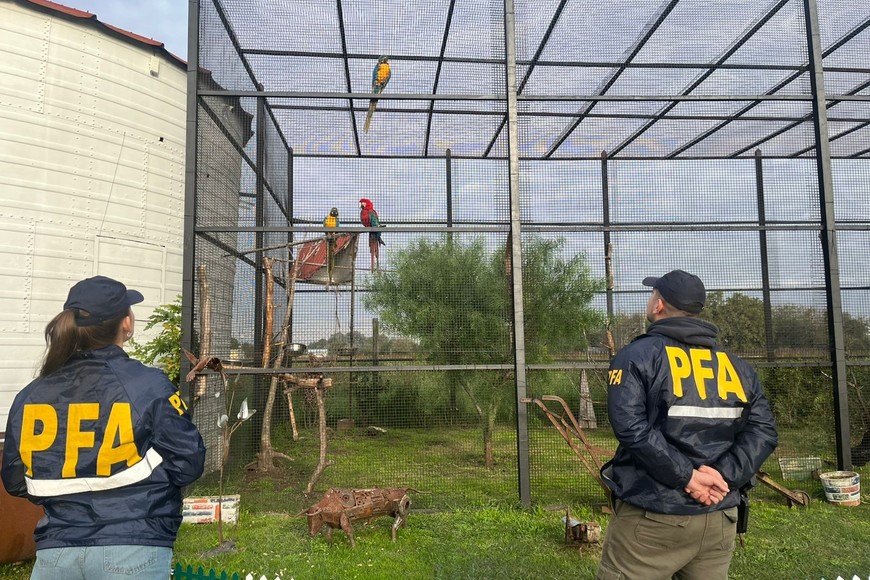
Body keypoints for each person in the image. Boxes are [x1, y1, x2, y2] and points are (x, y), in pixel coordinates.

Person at [1, 276, 205, 579]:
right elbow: (189, 462)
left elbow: (16, 479)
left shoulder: (30, 395)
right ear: (126, 323)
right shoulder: (149, 385)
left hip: (56, 553)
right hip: (136, 546)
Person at [596, 269, 778, 580]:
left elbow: (631, 428)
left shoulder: (636, 356)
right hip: (719, 515)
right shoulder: (738, 367)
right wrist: (723, 477)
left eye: (652, 294)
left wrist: (689, 478)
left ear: (658, 305)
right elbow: (764, 431)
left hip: (654, 518)